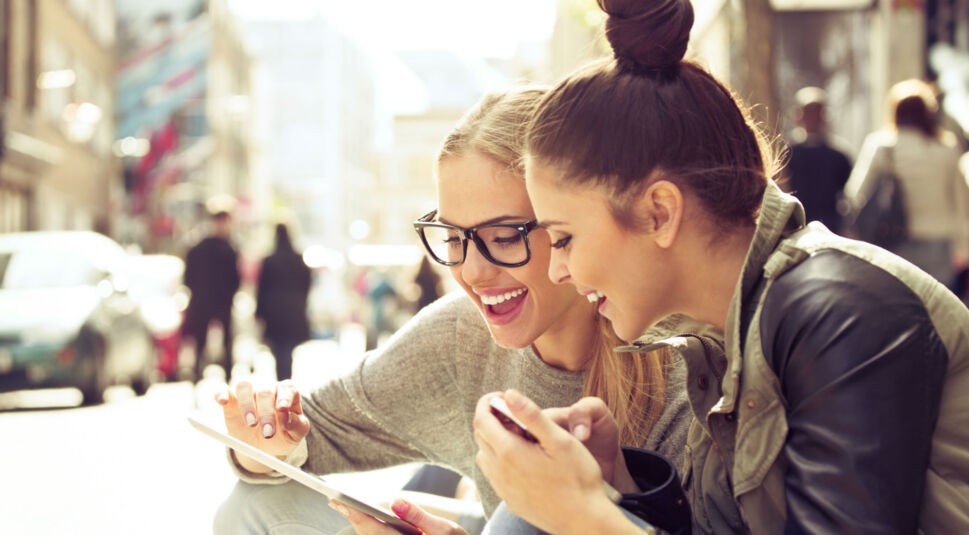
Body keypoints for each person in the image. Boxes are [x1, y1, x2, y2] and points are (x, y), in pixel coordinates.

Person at [466, 0, 969, 533]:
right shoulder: (724, 333)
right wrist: (617, 482)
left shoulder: (841, 308)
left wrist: (580, 513)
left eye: (563, 239)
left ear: (659, 212)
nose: (557, 271)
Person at [211, 86, 705, 535]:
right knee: (253, 505)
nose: (471, 271)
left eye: (503, 236)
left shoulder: (684, 362)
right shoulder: (459, 337)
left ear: (567, 224)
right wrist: (263, 443)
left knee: (518, 521)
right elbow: (315, 433)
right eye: (454, 237)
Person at [844, 78, 969, 288]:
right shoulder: (947, 149)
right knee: (937, 312)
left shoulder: (883, 146)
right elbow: (961, 203)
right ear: (928, 113)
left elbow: (855, 193)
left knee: (902, 311)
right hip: (940, 243)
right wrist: (963, 248)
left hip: (893, 241)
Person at [781, 86, 853, 234]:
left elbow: (848, 194)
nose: (812, 119)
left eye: (816, 114)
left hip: (830, 228)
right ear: (799, 117)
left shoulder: (839, 156)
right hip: (798, 227)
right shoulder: (788, 153)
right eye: (808, 114)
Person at [183, 206, 241, 382]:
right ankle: (203, 375)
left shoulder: (198, 247)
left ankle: (204, 375)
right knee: (209, 341)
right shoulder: (226, 248)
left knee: (216, 342)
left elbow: (188, 278)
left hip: (208, 301)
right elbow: (235, 278)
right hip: (213, 301)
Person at [255, 222, 312, 381]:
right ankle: (285, 380)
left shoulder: (270, 260)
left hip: (274, 312)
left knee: (279, 349)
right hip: (294, 311)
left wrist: (259, 313)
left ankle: (282, 380)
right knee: (287, 349)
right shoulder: (298, 259)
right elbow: (307, 284)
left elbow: (262, 288)